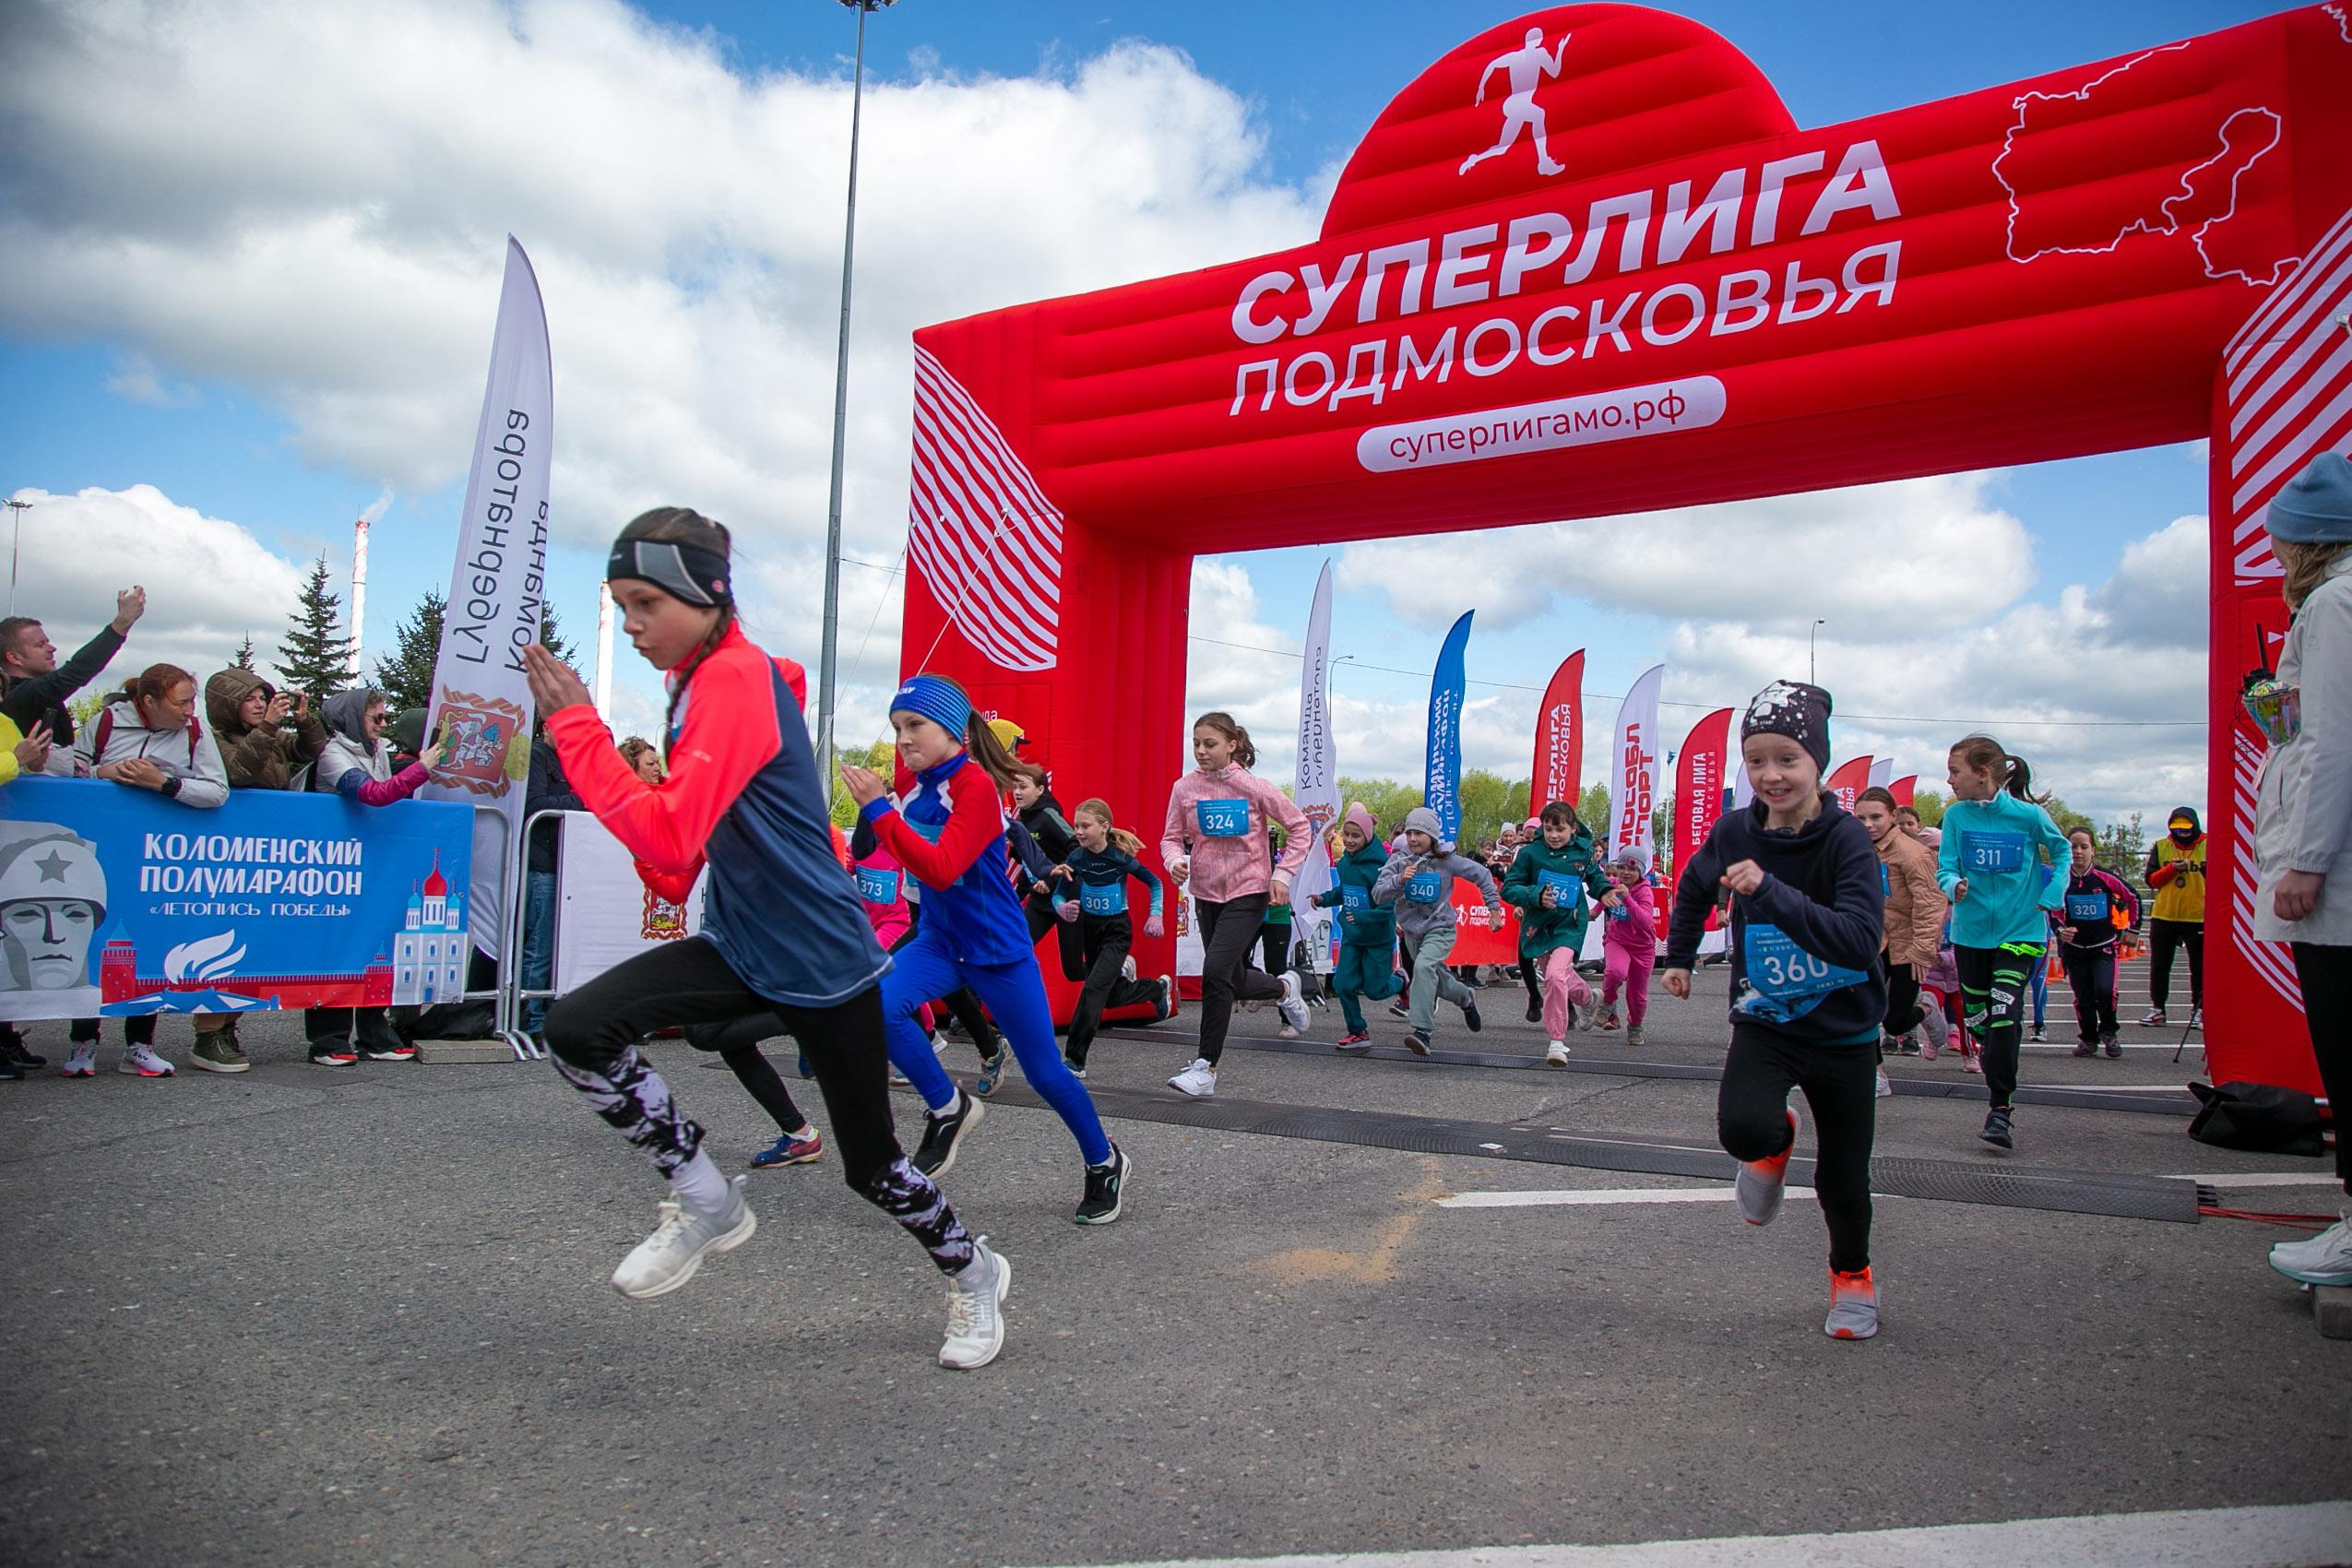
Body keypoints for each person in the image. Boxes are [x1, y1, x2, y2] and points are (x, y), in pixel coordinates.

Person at [525, 506, 1007, 1369]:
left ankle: (974, 1275)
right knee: (575, 1030)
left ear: (704, 596)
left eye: (643, 604)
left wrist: (577, 729)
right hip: (742, 950)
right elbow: (676, 859)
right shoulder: (696, 686)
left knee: (875, 1169)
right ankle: (704, 1196)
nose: (631, 626)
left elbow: (668, 837)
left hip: (827, 968)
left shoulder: (734, 681)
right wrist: (659, 842)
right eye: (620, 605)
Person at [842, 674, 1133, 1226]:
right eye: (897, 727)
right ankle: (947, 1106)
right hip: (940, 939)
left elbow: (941, 868)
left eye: (915, 726)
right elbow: (867, 847)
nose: (903, 738)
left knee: (1046, 1073)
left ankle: (1104, 1160)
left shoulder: (974, 787)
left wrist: (880, 810)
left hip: (997, 949)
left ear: (952, 730)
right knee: (876, 1006)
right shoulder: (910, 783)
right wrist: (871, 808)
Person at [1660, 681, 1887, 1341]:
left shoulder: (1845, 840)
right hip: (1766, 1022)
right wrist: (1677, 955)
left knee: (1843, 1180)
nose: (1771, 774)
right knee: (1743, 1132)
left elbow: (1856, 939)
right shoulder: (1734, 831)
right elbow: (1695, 886)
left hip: (1845, 1031)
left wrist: (1772, 891)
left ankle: (1852, 1278)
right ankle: (1776, 1143)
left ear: (1816, 761)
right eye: (1756, 760)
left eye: (1786, 759)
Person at [2247, 454, 2352, 1289]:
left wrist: (2306, 860)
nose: (2276, 555)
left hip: (2339, 882)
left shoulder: (2337, 602)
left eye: (2283, 540)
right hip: (2333, 870)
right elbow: (2306, 728)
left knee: (2345, 1045)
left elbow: (2333, 743)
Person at [66, 662, 232, 1077]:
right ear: (149, 702)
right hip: (104, 849)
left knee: (147, 943)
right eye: (182, 702)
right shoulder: (105, 722)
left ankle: (140, 1045)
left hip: (160, 854)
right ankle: (82, 1042)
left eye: (193, 700)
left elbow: (217, 792)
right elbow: (69, 769)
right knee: (97, 942)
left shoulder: (195, 733)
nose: (191, 710)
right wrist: (104, 773)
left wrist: (165, 784)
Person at [1159, 711, 1312, 1097]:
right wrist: (1175, 862)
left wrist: (1282, 876)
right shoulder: (1184, 788)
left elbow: (1299, 827)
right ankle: (1283, 989)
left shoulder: (1254, 787)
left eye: (1209, 744)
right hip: (1207, 892)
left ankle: (1205, 1068)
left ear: (1232, 745)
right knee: (1229, 975)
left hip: (1249, 891)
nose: (1200, 751)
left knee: (1215, 972)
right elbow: (1171, 838)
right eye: (1195, 743)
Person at [188, 668, 327, 1070]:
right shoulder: (209, 739)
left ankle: (229, 1023)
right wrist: (266, 728)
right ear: (226, 704)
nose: (260, 704)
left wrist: (304, 722)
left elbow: (311, 751)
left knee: (253, 949)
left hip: (264, 856)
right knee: (220, 947)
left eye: (263, 697)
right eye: (249, 699)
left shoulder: (271, 736)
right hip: (225, 856)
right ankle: (207, 1033)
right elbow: (239, 772)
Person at [1937, 735, 2071, 1150]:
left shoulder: (2029, 817)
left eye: (1954, 771)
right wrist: (1952, 884)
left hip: (2022, 931)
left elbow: (2062, 852)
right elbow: (1945, 867)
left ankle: (2000, 1109)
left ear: (1982, 774)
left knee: (2004, 1011)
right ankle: (1992, 1057)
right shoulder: (1956, 817)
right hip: (1971, 935)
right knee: (1978, 1019)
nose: (1949, 780)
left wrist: (2053, 895)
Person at [305, 689, 441, 1065]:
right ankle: (328, 1038)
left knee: (375, 946)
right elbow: (375, 795)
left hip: (370, 861)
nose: (383, 726)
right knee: (337, 949)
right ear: (351, 719)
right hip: (336, 862)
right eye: (375, 719)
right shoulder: (333, 755)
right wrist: (421, 769)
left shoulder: (375, 749)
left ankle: (373, 1030)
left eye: (384, 718)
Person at [1050, 797, 1173, 1076]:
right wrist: (1062, 907)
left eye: (1085, 826)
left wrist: (1155, 914)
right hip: (1089, 929)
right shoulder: (1076, 858)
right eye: (1075, 826)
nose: (1078, 832)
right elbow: (1058, 893)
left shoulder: (1118, 859)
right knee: (1108, 998)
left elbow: (1155, 883)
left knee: (1092, 988)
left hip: (1117, 930)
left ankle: (1075, 1059)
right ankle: (1155, 990)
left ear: (1104, 827)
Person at [1373, 806, 1506, 1056]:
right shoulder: (1399, 860)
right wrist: (1398, 880)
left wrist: (1494, 909)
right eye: (1410, 832)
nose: (1413, 838)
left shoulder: (1447, 860)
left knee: (1423, 969)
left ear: (1433, 836)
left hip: (1440, 928)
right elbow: (1378, 894)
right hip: (1413, 933)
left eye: (1419, 833)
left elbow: (1482, 875)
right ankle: (1465, 997)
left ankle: (1422, 1031)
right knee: (1438, 982)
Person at [1502, 801, 1610, 1063]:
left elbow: (1595, 878)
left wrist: (1606, 891)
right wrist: (1534, 895)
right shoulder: (1530, 854)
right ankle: (1588, 998)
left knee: (1553, 975)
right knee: (1558, 974)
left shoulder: (1581, 854)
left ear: (1572, 829)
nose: (1553, 835)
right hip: (1539, 924)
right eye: (1549, 829)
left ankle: (1557, 1041)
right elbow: (1509, 887)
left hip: (1569, 924)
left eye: (1560, 829)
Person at [0, 587, 147, 776]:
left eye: (48, 641)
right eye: (40, 645)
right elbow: (75, 672)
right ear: (13, 657)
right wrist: (120, 625)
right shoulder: (20, 695)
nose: (52, 648)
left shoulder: (32, 693)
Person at [1855, 786, 1944, 1058]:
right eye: (1861, 819)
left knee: (1895, 1022)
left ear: (1892, 815)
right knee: (1859, 1007)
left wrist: (1923, 949)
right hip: (1874, 941)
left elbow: (1930, 903)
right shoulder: (1858, 848)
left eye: (1875, 817)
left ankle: (1927, 1008)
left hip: (1908, 945)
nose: (1868, 825)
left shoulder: (1913, 853)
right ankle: (1874, 1072)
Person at [517, 729, 586, 1040]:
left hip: (568, 862)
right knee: (540, 944)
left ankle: (546, 1015)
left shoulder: (570, 760)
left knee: (558, 943)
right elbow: (535, 804)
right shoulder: (536, 756)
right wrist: (579, 798)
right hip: (543, 861)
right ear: (547, 728)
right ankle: (531, 1020)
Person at [1317, 802, 1401, 1053]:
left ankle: (1402, 982)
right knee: (1343, 984)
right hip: (1352, 936)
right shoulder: (1344, 865)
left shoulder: (1381, 869)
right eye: (1347, 835)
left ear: (1368, 836)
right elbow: (1345, 892)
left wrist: (1363, 917)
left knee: (1376, 991)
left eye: (1356, 836)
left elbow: (1389, 907)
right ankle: (1357, 1031)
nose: (1350, 840)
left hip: (1377, 938)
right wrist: (1324, 898)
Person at [2054, 826, 2140, 1058]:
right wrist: (2061, 930)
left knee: (2105, 991)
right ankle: (2088, 1039)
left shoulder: (2105, 878)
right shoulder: (2061, 880)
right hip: (2075, 950)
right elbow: (2051, 910)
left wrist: (2133, 928)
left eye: (2084, 846)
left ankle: (2110, 1034)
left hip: (2103, 947)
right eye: (2073, 846)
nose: (2078, 852)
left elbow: (2133, 898)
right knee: (2083, 997)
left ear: (2093, 850)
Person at [2141, 806, 2207, 1028]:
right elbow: (2151, 880)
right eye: (2177, 827)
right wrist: (2172, 869)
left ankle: (2200, 1009)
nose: (2182, 831)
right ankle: (2158, 1008)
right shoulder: (2161, 846)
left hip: (2198, 915)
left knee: (2199, 966)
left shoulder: (2210, 844)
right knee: (2160, 964)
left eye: (2186, 826)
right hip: (2165, 914)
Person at [1595, 848, 1657, 1044]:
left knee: (1637, 996)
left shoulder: (1645, 892)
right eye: (1621, 868)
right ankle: (1607, 1004)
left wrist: (1628, 898)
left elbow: (1646, 922)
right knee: (1615, 972)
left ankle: (1635, 1025)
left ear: (1641, 871)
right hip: (1617, 940)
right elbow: (1603, 897)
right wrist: (1594, 912)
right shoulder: (1614, 884)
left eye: (1632, 869)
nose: (1626, 873)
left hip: (1643, 947)